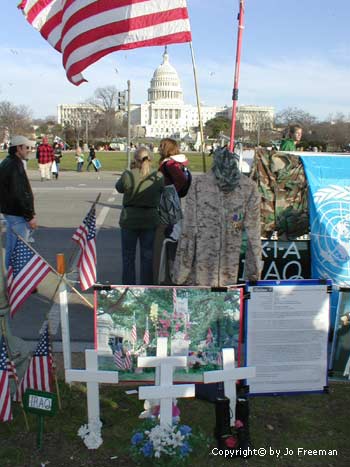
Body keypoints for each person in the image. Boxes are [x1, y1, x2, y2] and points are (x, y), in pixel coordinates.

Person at [171, 147, 261, 286]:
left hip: (201, 269)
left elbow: (189, 230)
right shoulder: (249, 187)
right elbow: (253, 234)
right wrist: (254, 273)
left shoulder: (198, 184)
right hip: (229, 271)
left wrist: (181, 273)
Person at [115, 147, 164, 285]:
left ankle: (129, 286)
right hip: (149, 218)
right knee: (147, 257)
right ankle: (146, 286)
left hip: (130, 219)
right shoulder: (158, 176)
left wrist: (131, 170)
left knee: (128, 257)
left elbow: (119, 188)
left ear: (136, 160)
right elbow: (161, 192)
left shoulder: (128, 175)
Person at [153, 138, 189, 283]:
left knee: (163, 240)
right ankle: (166, 276)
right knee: (170, 239)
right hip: (173, 204)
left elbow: (180, 180)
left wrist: (170, 192)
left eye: (161, 146)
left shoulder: (169, 164)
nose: (159, 148)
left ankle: (161, 279)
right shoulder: (175, 162)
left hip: (168, 207)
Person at [0, 135, 37, 268]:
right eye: (26, 147)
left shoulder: (7, 162)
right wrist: (29, 215)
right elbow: (20, 193)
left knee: (12, 247)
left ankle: (12, 279)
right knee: (20, 249)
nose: (28, 150)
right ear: (18, 148)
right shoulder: (15, 165)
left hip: (10, 212)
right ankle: (18, 280)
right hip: (17, 214)